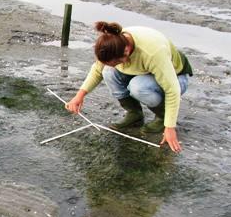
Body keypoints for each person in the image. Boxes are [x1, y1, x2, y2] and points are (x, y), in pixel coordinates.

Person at [65, 21, 192, 153]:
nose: (115, 65)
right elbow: (98, 70)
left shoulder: (152, 52)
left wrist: (169, 127)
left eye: (117, 62)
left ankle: (161, 117)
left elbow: (172, 90)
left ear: (126, 52)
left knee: (137, 87)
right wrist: (79, 96)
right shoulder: (112, 43)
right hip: (143, 72)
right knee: (108, 72)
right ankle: (135, 114)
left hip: (177, 78)